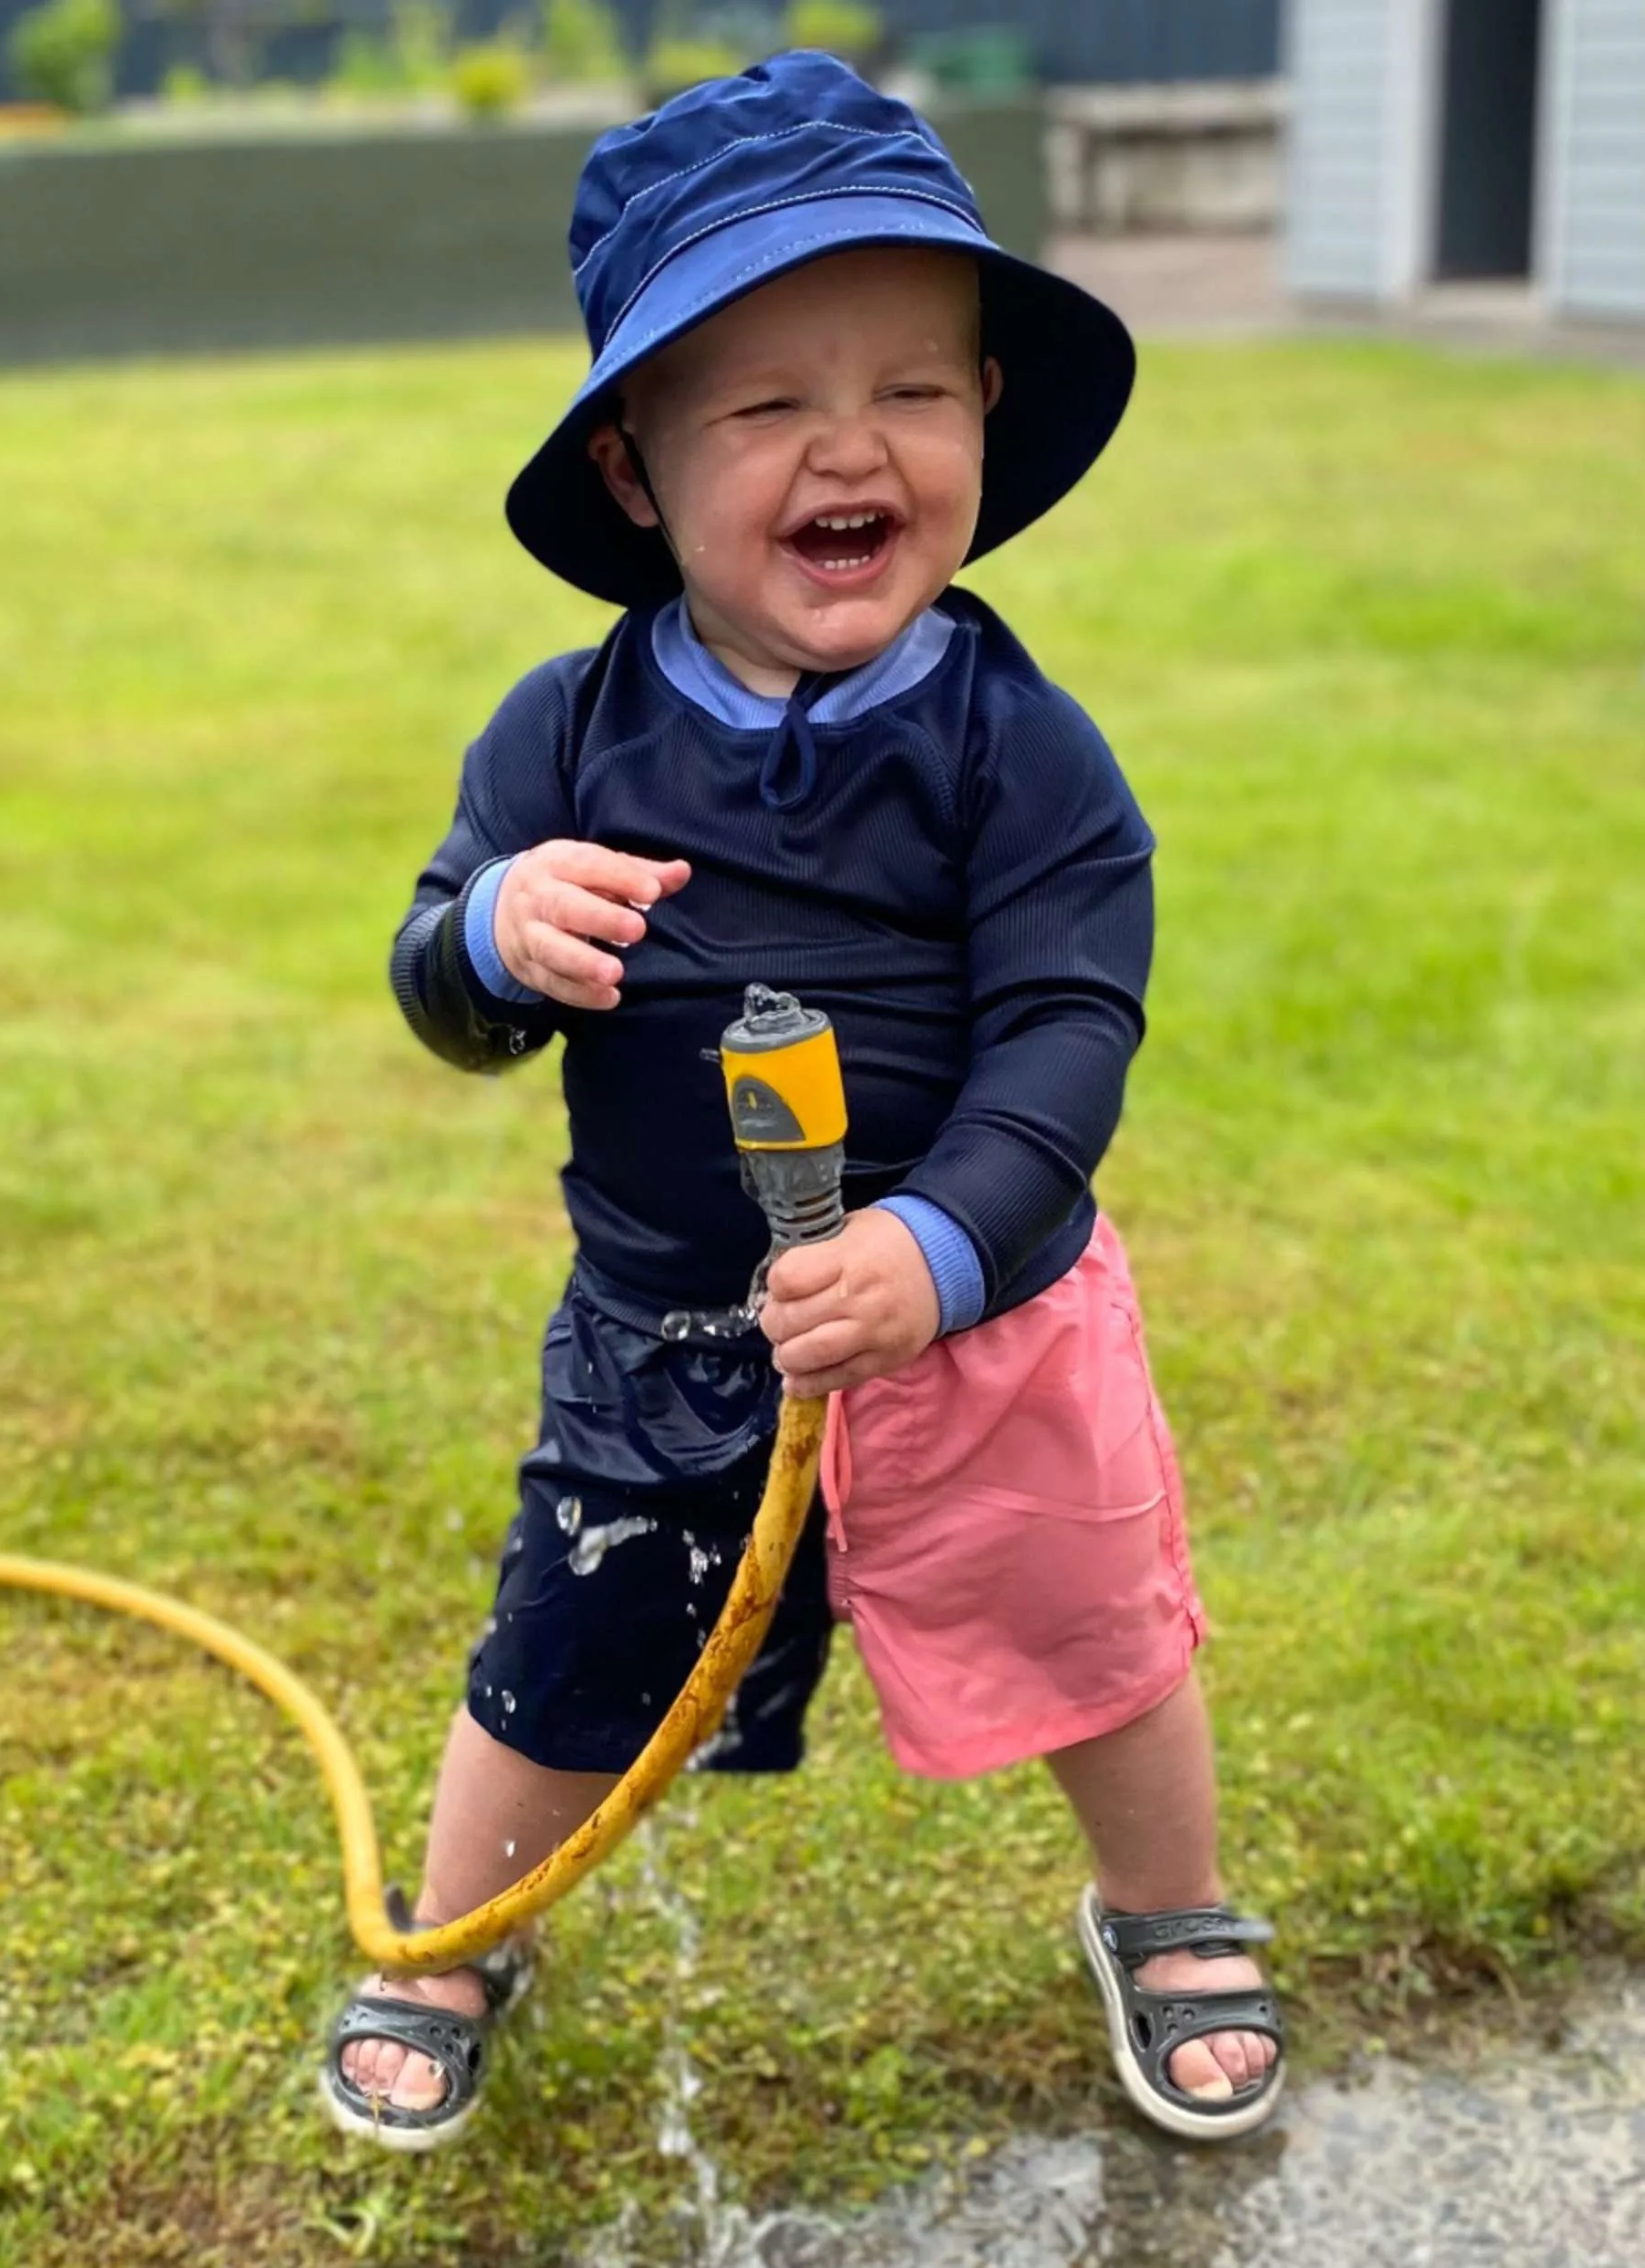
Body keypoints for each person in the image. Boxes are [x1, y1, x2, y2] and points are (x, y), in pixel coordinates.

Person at [322, 50, 1284, 2153]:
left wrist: (942, 1250)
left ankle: (1173, 1905)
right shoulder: (560, 738)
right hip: (673, 1330)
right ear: (640, 473)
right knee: (569, 1640)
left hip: (990, 1316)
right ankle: (457, 1928)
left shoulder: (1021, 751)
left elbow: (1066, 1041)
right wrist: (487, 935)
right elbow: (436, 993)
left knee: (1096, 1621)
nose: (851, 445)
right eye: (767, 404)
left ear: (984, 424)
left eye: (913, 391)